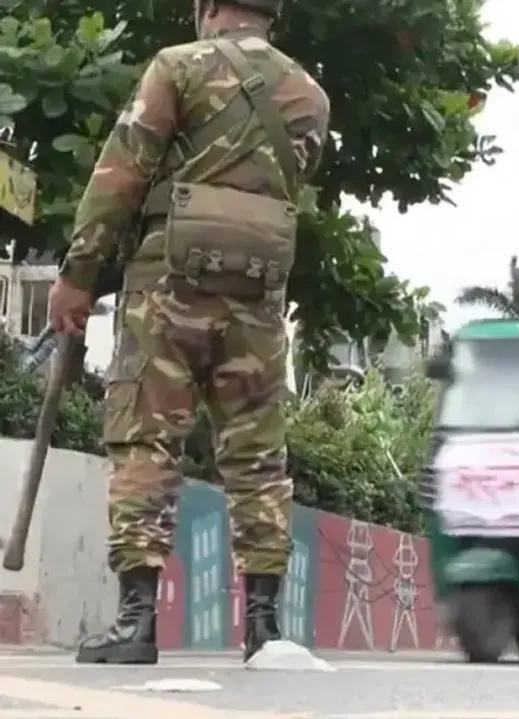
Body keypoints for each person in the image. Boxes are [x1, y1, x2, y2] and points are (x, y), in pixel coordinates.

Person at [49, 0, 330, 664]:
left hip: (167, 289)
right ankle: (264, 627)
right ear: (273, 15)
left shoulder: (176, 68)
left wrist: (79, 273)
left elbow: (120, 174)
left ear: (207, 7)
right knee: (258, 456)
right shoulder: (310, 96)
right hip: (258, 296)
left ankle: (138, 622)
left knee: (146, 442)